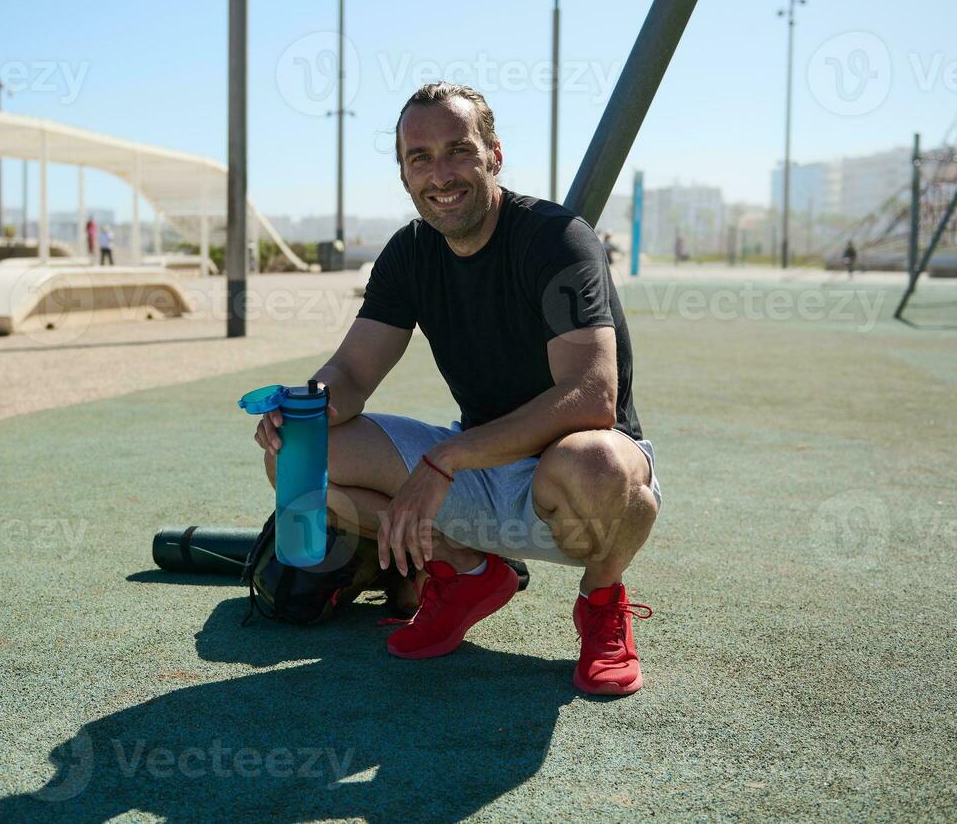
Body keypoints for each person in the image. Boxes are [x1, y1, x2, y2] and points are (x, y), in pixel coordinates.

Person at [252, 83, 661, 696]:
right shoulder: (411, 253)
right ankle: (465, 571)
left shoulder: (556, 239)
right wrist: (306, 405)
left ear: (494, 154)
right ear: (404, 174)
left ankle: (602, 600)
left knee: (598, 460)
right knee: (296, 452)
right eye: (420, 158)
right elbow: (354, 374)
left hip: (572, 475)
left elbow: (591, 396)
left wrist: (446, 458)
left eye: (458, 151)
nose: (440, 174)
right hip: (476, 468)